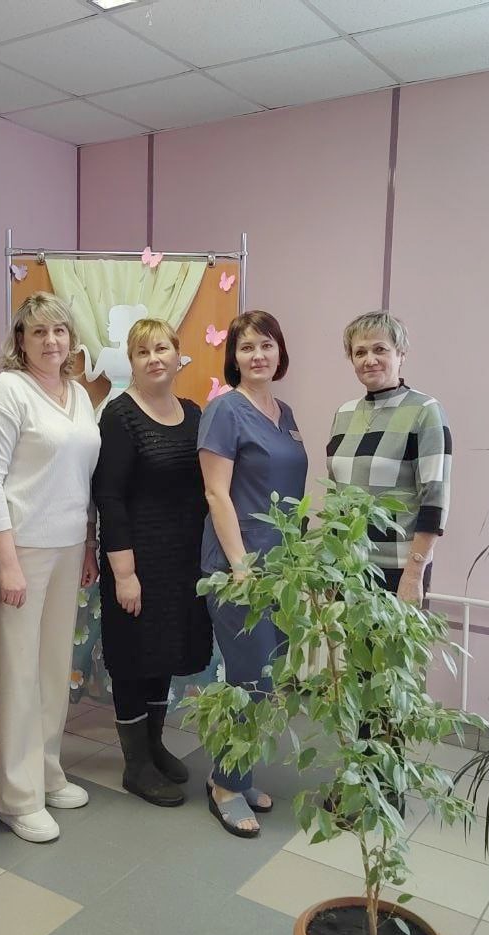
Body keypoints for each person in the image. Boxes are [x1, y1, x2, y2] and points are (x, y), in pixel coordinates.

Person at [0, 292, 101, 843]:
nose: (51, 341)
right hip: (21, 549)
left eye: (60, 331)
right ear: (20, 340)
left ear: (72, 339)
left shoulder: (79, 395)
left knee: (52, 669)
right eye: (39, 331)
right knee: (18, 674)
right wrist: (7, 565)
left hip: (69, 546)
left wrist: (89, 543)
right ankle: (15, 796)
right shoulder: (6, 391)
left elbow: (82, 479)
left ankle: (47, 772)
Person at [93, 318, 212, 807]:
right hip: (135, 559)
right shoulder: (119, 415)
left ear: (178, 354)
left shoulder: (193, 413)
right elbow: (109, 496)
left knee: (164, 651)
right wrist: (124, 574)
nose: (154, 359)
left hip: (180, 561)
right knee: (132, 658)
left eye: (161, 348)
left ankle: (155, 745)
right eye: (142, 352)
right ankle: (135, 764)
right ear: (132, 362)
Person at [198, 310, 308, 838]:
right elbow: (216, 493)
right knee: (248, 679)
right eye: (246, 347)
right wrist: (241, 565)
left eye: (266, 344)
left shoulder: (285, 413)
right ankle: (225, 784)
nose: (258, 355)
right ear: (234, 357)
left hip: (282, 568)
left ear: (279, 351)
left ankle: (238, 774)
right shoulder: (225, 410)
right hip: (239, 568)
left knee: (268, 681)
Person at [326, 310, 451, 605]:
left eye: (380, 349)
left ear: (401, 354)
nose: (369, 359)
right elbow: (335, 495)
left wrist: (414, 574)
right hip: (347, 566)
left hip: (398, 569)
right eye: (360, 352)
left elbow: (434, 499)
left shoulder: (425, 411)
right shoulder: (344, 414)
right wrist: (330, 564)